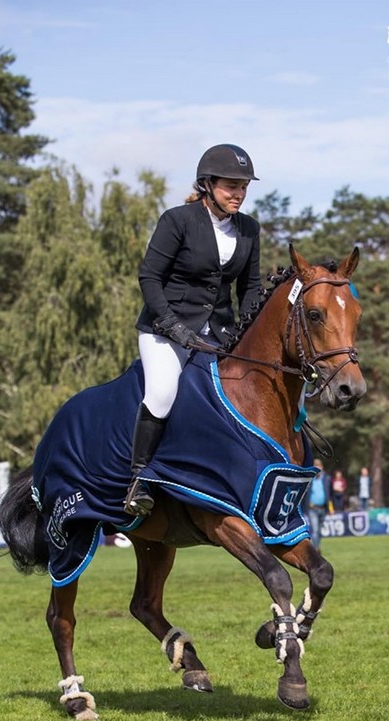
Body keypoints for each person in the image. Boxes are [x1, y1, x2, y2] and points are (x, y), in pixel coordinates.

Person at [124, 144, 262, 516]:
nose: (238, 193)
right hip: (164, 330)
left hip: (217, 333)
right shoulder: (178, 220)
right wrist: (170, 323)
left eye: (244, 186)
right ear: (207, 184)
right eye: (231, 185)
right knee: (164, 393)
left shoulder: (248, 229)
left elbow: (250, 287)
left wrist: (244, 332)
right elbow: (150, 276)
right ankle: (140, 479)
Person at [307, 458, 331, 549]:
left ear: (322, 468)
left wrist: (331, 507)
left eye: (319, 467)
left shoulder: (327, 478)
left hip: (323, 508)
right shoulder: (310, 479)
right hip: (313, 508)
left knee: (320, 531)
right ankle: (316, 549)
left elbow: (330, 494)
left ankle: (316, 546)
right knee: (315, 530)